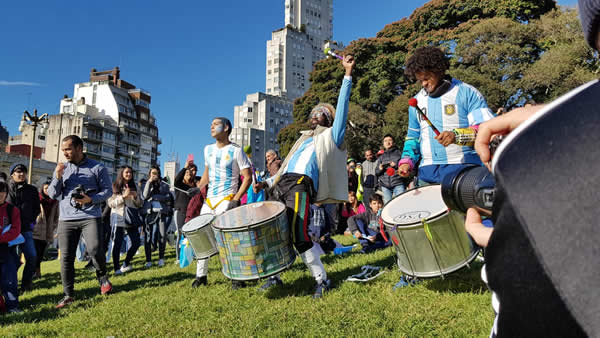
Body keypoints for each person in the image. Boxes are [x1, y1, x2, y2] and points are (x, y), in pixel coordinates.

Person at [254, 54, 355, 298]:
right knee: (275, 233)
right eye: (312, 112)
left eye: (320, 112)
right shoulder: (302, 139)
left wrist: (348, 75)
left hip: (300, 185)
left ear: (329, 120)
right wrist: (265, 182)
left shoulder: (331, 137)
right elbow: (286, 166)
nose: (314, 113)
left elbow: (342, 109)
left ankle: (322, 280)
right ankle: (274, 277)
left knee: (299, 233)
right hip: (280, 186)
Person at [397, 46, 495, 185]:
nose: (424, 83)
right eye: (420, 80)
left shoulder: (467, 92)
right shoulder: (416, 102)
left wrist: (456, 136)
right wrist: (407, 162)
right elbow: (413, 138)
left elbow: (487, 130)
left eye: (427, 78)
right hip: (427, 174)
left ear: (439, 71)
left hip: (465, 171)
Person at [48, 135, 113, 309]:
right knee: (66, 257)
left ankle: (103, 277)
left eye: (68, 149)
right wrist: (57, 176)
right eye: (63, 150)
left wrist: (90, 199)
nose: (65, 153)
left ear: (79, 148)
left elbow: (108, 191)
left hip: (90, 215)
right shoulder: (62, 168)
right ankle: (68, 294)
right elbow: (53, 194)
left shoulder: (97, 167)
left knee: (94, 249)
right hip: (66, 218)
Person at [194, 117, 252, 289]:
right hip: (209, 201)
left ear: (226, 127)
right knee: (202, 238)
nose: (211, 127)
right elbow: (207, 174)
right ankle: (201, 276)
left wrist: (235, 199)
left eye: (215, 124)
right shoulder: (207, 149)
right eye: (210, 124)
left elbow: (247, 178)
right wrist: (198, 188)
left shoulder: (237, 151)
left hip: (227, 199)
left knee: (229, 238)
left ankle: (237, 277)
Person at [6, 163, 40, 293]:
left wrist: (31, 222)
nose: (21, 174)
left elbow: (37, 208)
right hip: (9, 230)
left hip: (25, 229)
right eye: (18, 172)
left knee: (32, 256)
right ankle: (9, 285)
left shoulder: (31, 190)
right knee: (13, 259)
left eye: (23, 172)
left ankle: (26, 285)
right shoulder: (6, 188)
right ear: (12, 174)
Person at [107, 166, 142, 275]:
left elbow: (140, 204)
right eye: (127, 172)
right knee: (117, 243)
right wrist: (123, 196)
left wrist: (136, 197)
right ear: (121, 173)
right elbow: (110, 203)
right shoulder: (114, 185)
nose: (129, 174)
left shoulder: (135, 186)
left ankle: (126, 263)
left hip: (131, 217)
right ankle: (116, 268)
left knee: (136, 242)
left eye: (131, 172)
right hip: (118, 218)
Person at [142, 165, 172, 268]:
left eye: (156, 173)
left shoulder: (164, 183)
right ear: (150, 174)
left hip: (161, 212)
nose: (155, 175)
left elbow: (168, 197)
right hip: (149, 212)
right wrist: (149, 182)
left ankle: (161, 258)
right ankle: (148, 260)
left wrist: (157, 197)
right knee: (148, 236)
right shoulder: (146, 183)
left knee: (162, 235)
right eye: (152, 173)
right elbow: (145, 196)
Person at [0, 180, 23, 313]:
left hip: (6, 249)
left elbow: (16, 229)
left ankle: (12, 306)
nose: (0, 194)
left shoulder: (12, 209)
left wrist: (1, 238)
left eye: (2, 191)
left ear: (6, 193)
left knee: (9, 279)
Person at [173, 160, 198, 264]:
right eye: (188, 172)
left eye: (193, 171)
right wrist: (185, 167)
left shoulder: (194, 186)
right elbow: (177, 180)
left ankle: (191, 254)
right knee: (180, 233)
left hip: (191, 213)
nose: (190, 173)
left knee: (191, 233)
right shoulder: (180, 185)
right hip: (180, 211)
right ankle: (179, 257)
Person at [32, 182, 59, 279]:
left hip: (47, 232)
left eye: (49, 188)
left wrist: (53, 226)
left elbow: (56, 217)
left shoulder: (55, 202)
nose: (47, 190)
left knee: (41, 253)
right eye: (45, 188)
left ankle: (37, 271)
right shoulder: (37, 199)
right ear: (42, 189)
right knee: (34, 252)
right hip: (36, 230)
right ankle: (35, 272)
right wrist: (33, 225)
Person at [374, 135, 409, 204]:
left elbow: (406, 168)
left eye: (390, 140)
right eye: (385, 141)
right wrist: (380, 169)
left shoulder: (400, 154)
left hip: (398, 183)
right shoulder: (381, 157)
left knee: (401, 203)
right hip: (385, 185)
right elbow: (376, 172)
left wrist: (396, 166)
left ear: (393, 142)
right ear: (383, 144)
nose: (388, 142)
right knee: (388, 205)